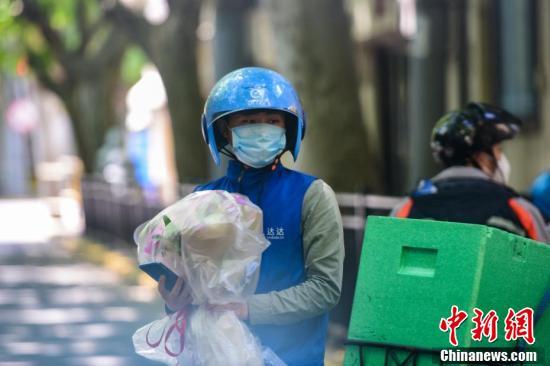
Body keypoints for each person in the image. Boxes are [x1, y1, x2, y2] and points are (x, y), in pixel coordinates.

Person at [158, 67, 345, 366]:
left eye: (272, 121)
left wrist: (248, 308)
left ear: (289, 129)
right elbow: (191, 284)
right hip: (215, 356)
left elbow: (325, 288)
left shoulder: (313, 195)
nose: (261, 129)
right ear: (222, 130)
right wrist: (175, 302)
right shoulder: (201, 200)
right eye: (247, 121)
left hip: (292, 359)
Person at [391, 102, 549, 243]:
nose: (501, 158)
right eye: (498, 150)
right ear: (480, 156)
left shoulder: (407, 208)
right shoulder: (517, 209)